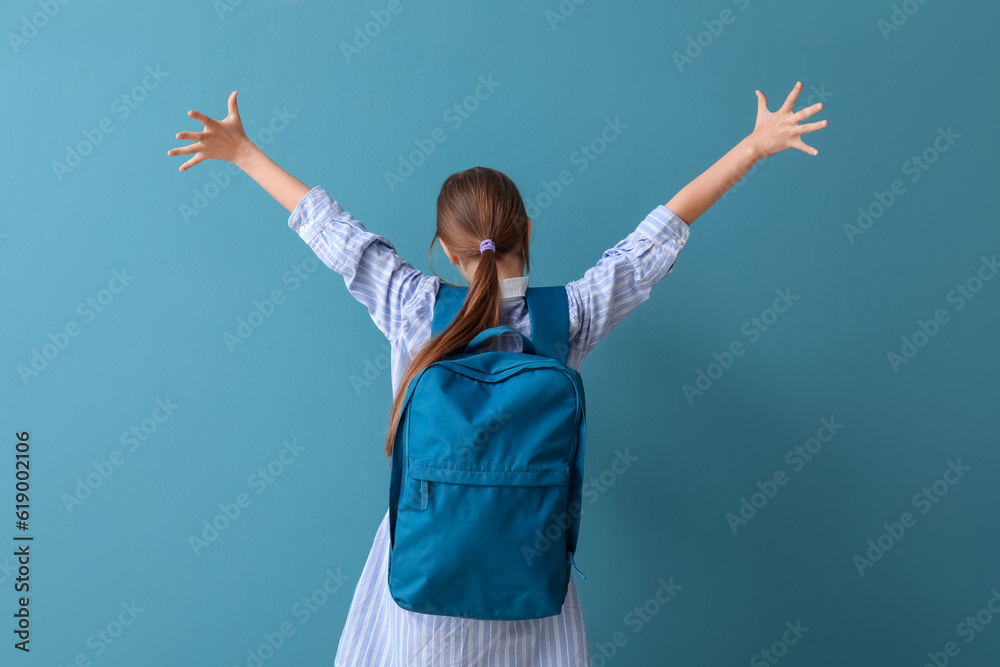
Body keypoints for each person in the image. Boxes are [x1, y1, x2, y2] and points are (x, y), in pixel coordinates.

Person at [167, 81, 827, 666]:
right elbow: (653, 240)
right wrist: (753, 147)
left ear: (446, 253)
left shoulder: (412, 305)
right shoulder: (569, 316)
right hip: (529, 576)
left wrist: (244, 153)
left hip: (425, 571)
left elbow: (334, 232)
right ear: (527, 231)